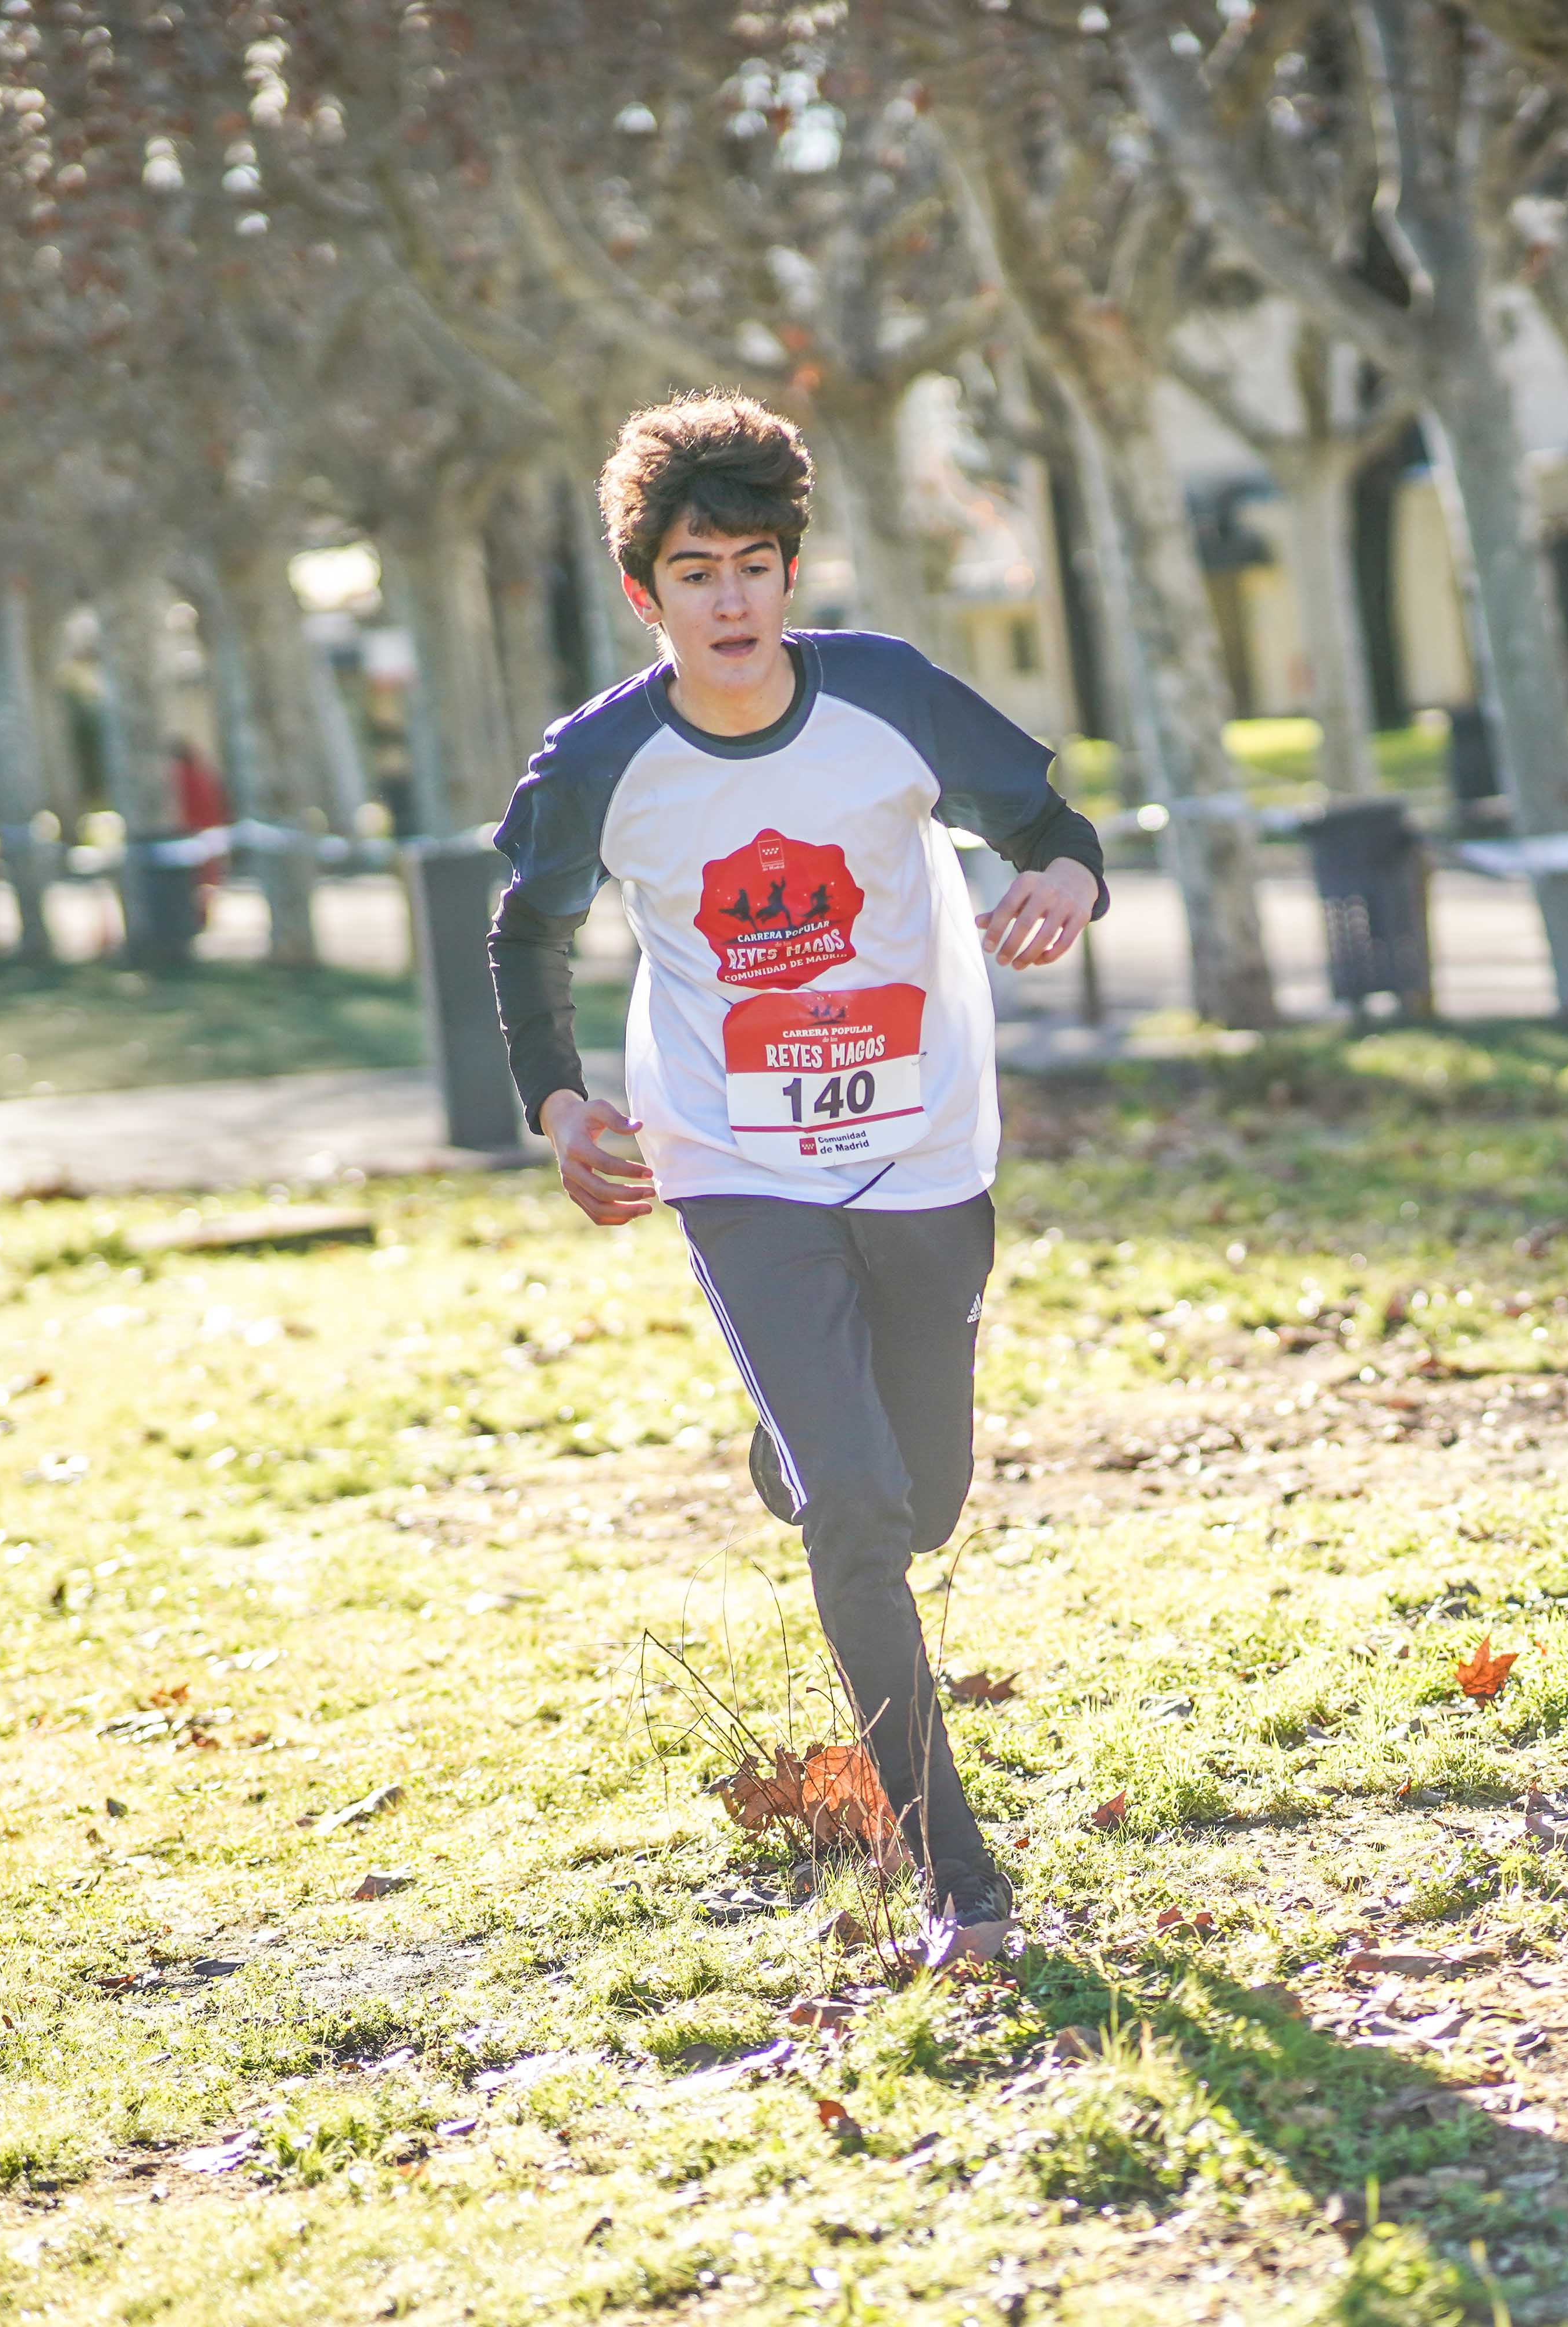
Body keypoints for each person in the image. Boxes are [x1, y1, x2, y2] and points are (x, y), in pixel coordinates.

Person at [486, 391, 1103, 1968]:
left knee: (926, 1498)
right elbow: (527, 932)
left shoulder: (889, 699)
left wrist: (1061, 882)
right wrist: (556, 1101)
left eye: (758, 565)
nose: (733, 600)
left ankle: (803, 1446)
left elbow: (1050, 824)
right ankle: (962, 1877)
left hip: (920, 1145)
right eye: (697, 573)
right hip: (734, 1159)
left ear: (793, 573)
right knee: (859, 1510)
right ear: (648, 594)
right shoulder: (604, 762)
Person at [168, 738, 230, 899]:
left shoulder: (185, 775)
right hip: (207, 829)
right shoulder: (202, 773)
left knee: (201, 879)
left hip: (195, 831)